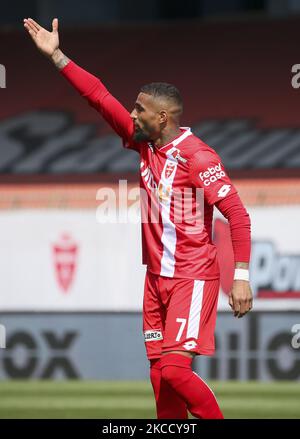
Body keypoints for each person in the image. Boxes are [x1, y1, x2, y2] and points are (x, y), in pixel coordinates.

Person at [24, 18, 253, 419]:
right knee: (159, 377)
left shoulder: (198, 156)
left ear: (162, 118)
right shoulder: (143, 143)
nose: (132, 114)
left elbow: (237, 214)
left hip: (191, 274)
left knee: (177, 373)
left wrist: (241, 277)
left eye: (140, 109)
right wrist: (57, 56)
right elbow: (98, 96)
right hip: (155, 279)